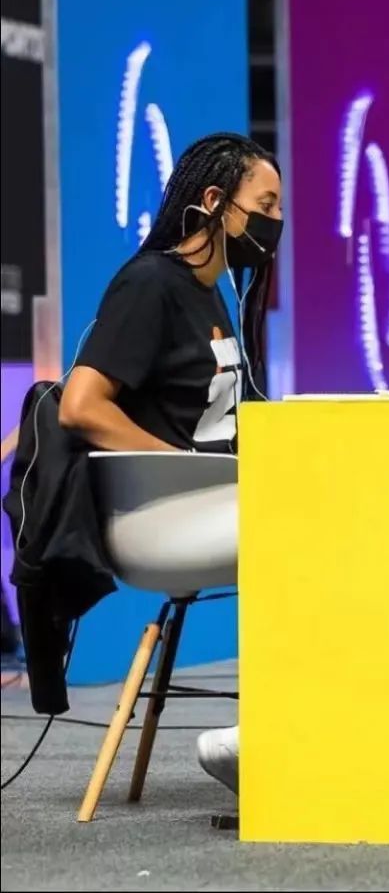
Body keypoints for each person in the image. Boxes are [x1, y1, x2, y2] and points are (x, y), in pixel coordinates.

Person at [58, 132, 283, 795]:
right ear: (214, 201)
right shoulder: (150, 284)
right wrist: (179, 459)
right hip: (159, 516)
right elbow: (80, 405)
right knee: (307, 532)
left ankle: (302, 719)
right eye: (265, 205)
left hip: (212, 502)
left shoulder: (213, 293)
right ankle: (264, 733)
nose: (275, 222)